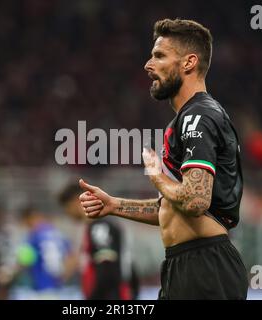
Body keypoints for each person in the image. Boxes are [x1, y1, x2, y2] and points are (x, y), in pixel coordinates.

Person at [78, 19, 248, 300]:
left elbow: (195, 200)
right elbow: (175, 205)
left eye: (159, 55)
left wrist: (156, 175)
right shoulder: (184, 120)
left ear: (189, 63)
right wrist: (114, 205)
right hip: (182, 264)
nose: (148, 64)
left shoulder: (199, 116)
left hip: (206, 267)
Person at [58, 183, 139, 300]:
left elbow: (107, 269)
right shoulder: (94, 227)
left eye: (66, 208)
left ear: (75, 201)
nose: (67, 214)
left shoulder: (100, 227)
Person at [17, 206, 75, 293]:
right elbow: (72, 258)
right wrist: (64, 277)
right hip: (61, 287)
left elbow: (24, 260)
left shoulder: (33, 237)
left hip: (41, 286)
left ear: (27, 219)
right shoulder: (58, 233)